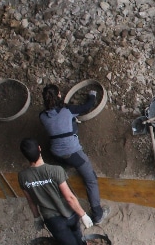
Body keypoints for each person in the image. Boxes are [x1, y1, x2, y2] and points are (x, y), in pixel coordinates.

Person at [17, 138, 101, 245]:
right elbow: (69, 198)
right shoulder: (55, 170)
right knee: (78, 241)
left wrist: (37, 217)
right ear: (40, 148)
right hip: (70, 215)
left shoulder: (23, 177)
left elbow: (31, 201)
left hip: (54, 221)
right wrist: (83, 214)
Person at [39, 84, 105, 225]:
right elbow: (87, 106)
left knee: (70, 125)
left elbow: (57, 119)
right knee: (91, 179)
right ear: (59, 95)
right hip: (72, 153)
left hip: (55, 153)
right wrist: (92, 94)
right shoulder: (67, 110)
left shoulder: (42, 116)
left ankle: (66, 167)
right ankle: (98, 213)